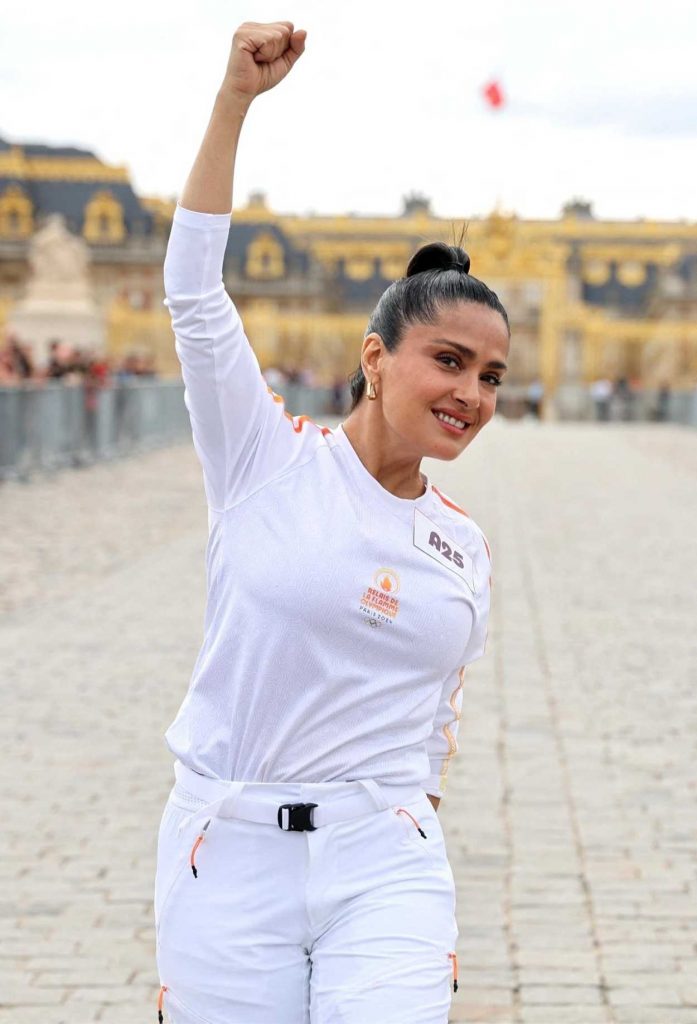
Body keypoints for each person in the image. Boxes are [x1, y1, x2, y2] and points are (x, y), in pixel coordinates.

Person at [154, 22, 510, 1024]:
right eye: (447, 360)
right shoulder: (262, 456)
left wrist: (408, 828)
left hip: (382, 859)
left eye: (490, 376)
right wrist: (233, 101)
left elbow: (432, 723)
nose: (471, 392)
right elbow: (191, 292)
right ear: (374, 355)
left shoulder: (463, 547)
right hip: (227, 851)